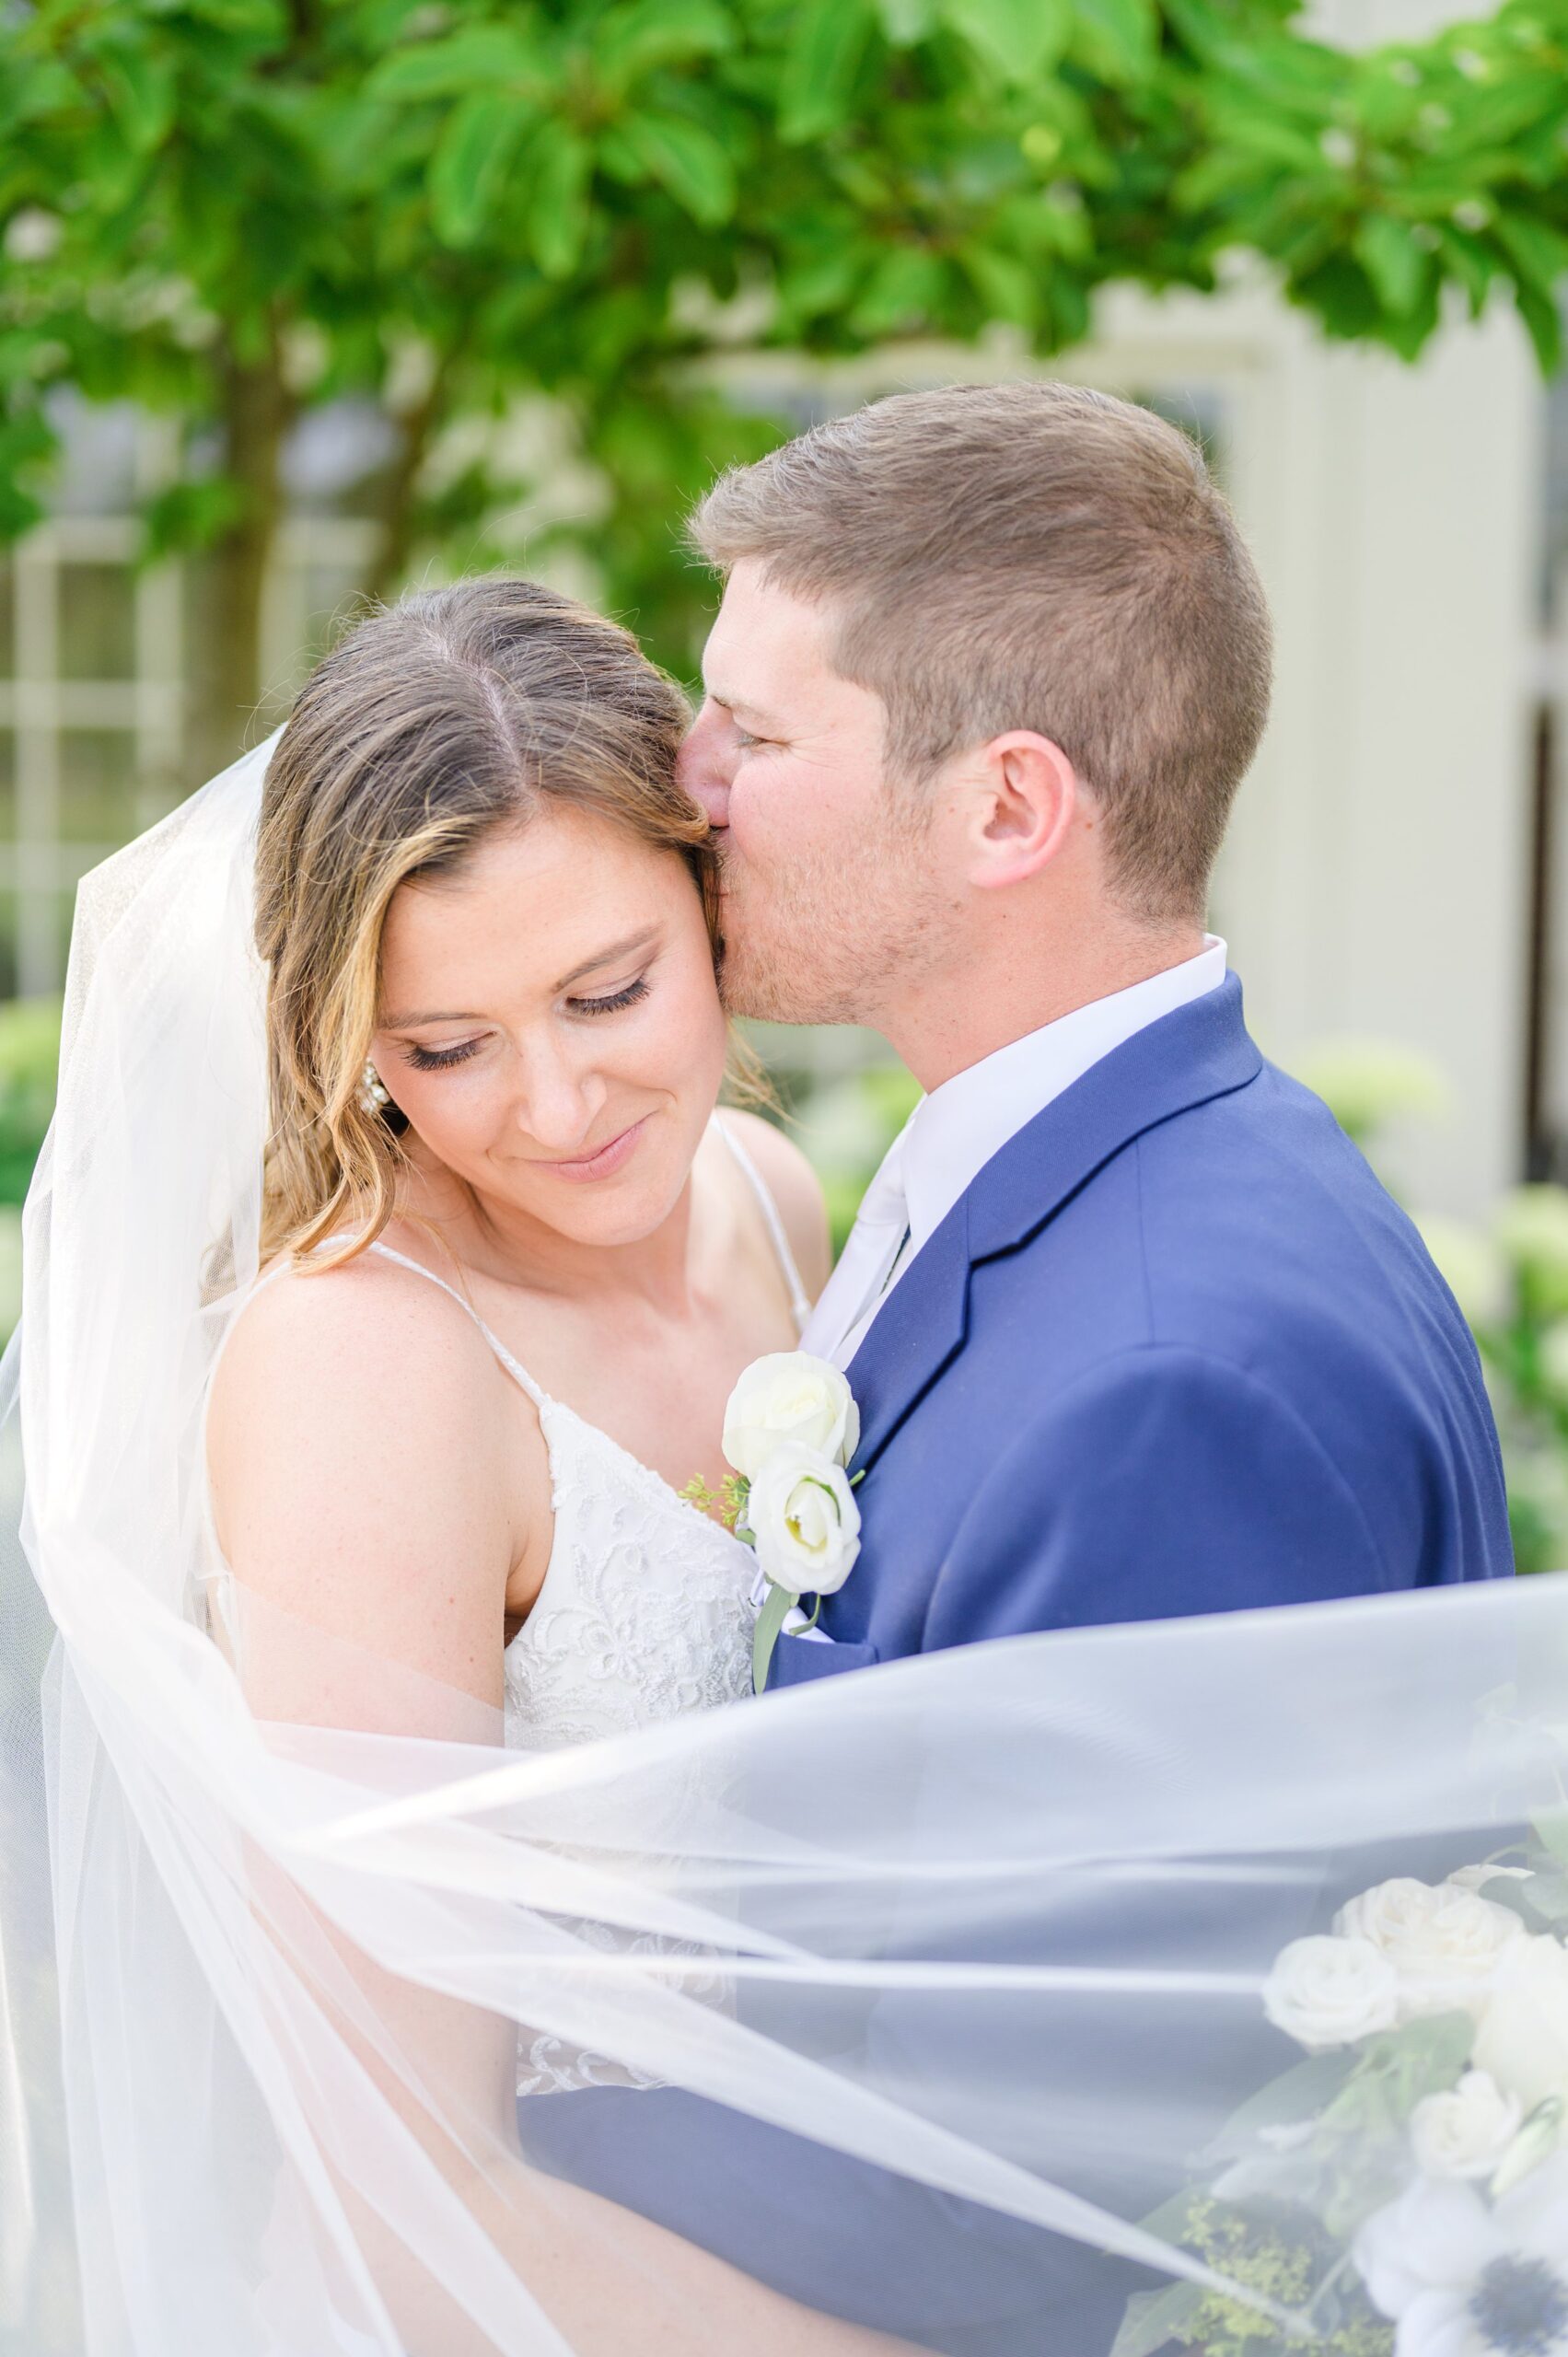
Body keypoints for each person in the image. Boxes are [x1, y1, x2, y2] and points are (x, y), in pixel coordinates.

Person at [517, 380, 1516, 2348]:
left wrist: (437, 2106)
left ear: (1007, 807)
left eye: (761, 728)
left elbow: (1016, 2196)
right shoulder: (1067, 1161)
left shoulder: (1178, 1372)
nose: (680, 772)